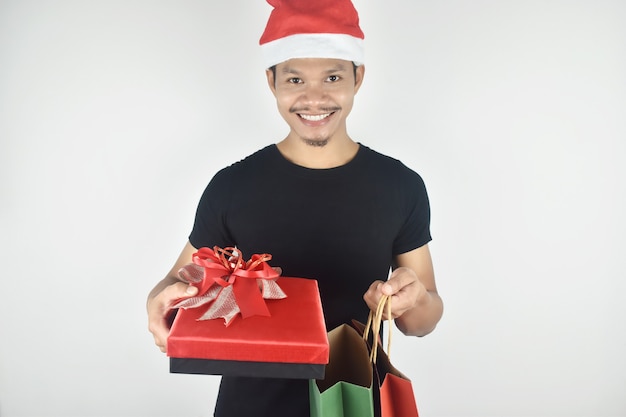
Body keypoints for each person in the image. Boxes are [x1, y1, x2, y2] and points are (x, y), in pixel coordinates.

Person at [147, 0, 444, 415]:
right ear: (271, 82)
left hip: (353, 402)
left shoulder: (401, 186)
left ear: (358, 78)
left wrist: (411, 301)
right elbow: (179, 282)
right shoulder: (232, 186)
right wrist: (158, 300)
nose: (314, 98)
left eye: (333, 76)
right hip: (249, 405)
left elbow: (423, 318)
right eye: (294, 79)